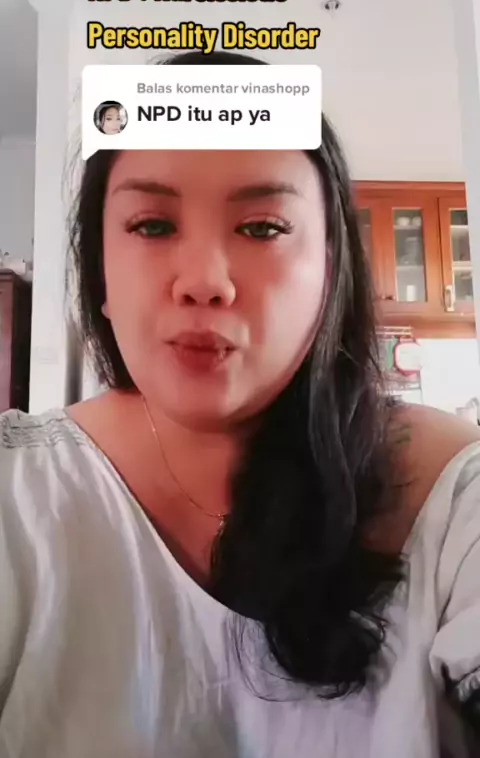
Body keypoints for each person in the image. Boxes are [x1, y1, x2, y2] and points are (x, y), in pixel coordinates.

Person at [0, 50, 479, 758]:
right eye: (152, 225)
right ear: (100, 272)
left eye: (262, 228)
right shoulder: (19, 495)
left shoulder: (455, 499)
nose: (204, 281)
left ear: (331, 270)